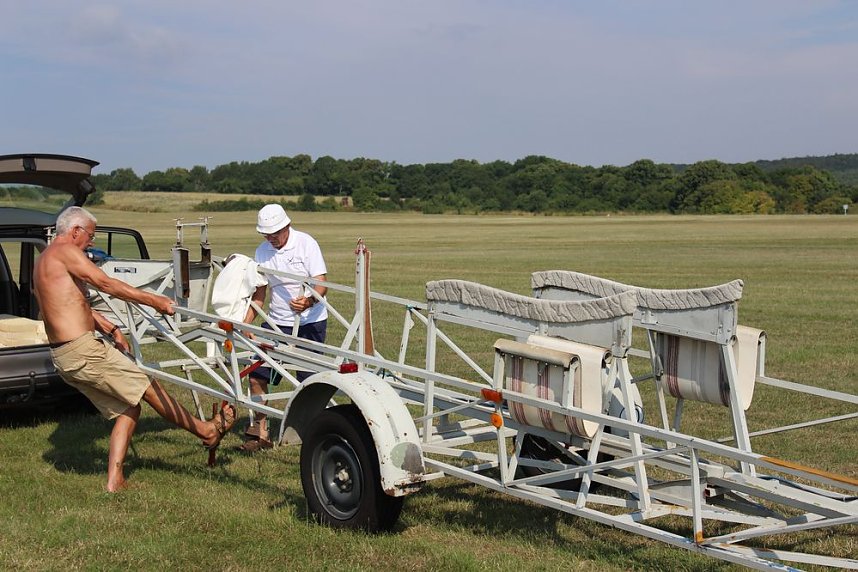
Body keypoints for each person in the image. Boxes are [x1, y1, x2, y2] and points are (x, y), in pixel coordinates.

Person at [33, 206, 236, 492]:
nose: (91, 242)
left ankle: (115, 480)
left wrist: (110, 327)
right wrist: (155, 301)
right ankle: (205, 430)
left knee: (129, 407)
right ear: (75, 230)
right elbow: (106, 283)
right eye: (90, 235)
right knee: (147, 386)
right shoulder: (67, 252)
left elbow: (61, 305)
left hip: (63, 355)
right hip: (82, 350)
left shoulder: (43, 259)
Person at [240, 204, 328, 451]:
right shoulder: (262, 251)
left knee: (309, 381)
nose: (271, 239)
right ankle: (261, 431)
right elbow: (260, 293)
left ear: (286, 226)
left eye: (274, 234)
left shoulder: (306, 243)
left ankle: (313, 434)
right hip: (277, 322)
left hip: (310, 322)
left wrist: (309, 300)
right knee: (257, 373)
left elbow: (321, 282)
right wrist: (246, 322)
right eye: (266, 235)